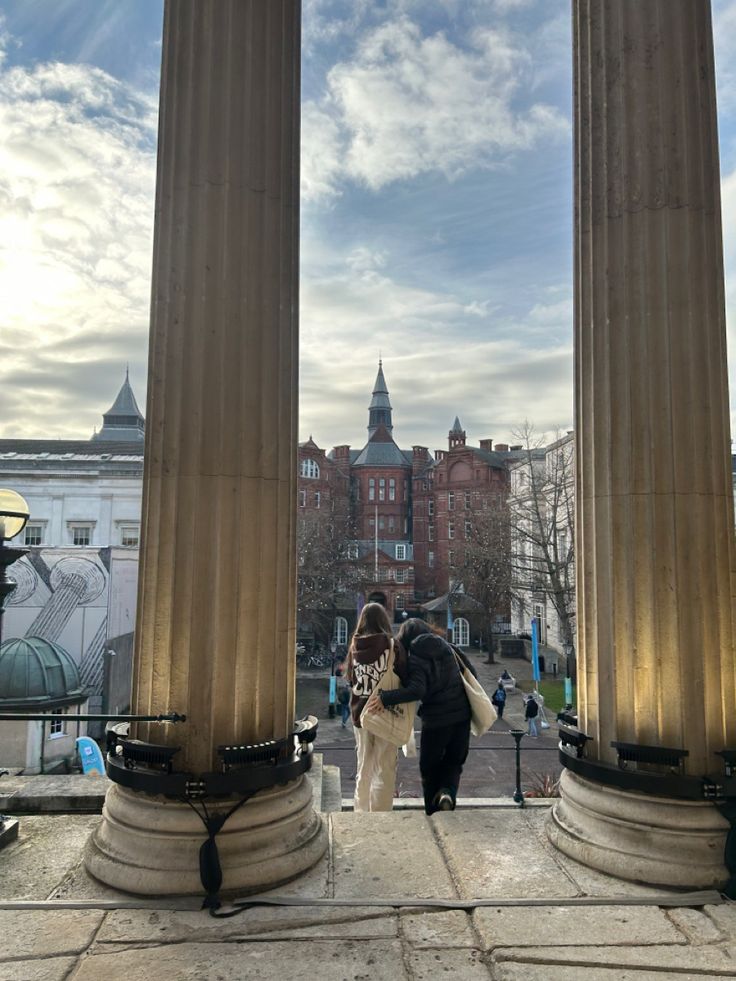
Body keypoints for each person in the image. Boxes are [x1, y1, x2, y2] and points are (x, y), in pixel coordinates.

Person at [366, 617, 476, 815]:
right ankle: (447, 792)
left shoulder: (417, 655)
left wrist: (385, 698)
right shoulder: (449, 647)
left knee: (429, 766)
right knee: (454, 761)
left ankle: (432, 813)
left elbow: (417, 690)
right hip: (462, 716)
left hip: (437, 719)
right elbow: (472, 673)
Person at [345, 602, 408, 812]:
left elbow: (350, 678)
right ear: (383, 620)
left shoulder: (354, 648)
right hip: (384, 712)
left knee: (363, 766)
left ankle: (361, 810)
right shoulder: (392, 645)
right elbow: (404, 675)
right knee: (384, 767)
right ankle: (380, 814)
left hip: (359, 716)